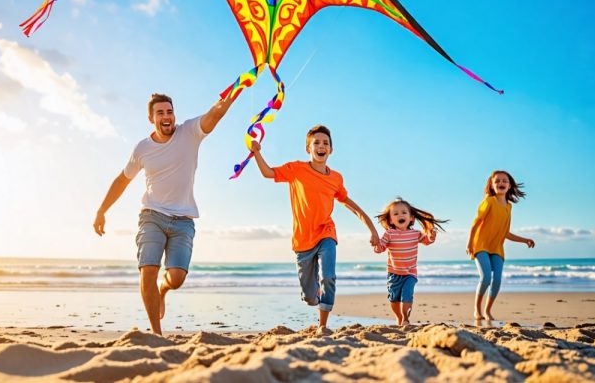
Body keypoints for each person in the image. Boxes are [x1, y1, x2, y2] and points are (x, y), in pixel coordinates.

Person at [93, 92, 236, 335]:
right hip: (152, 216)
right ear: (151, 118)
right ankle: (157, 334)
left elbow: (216, 113)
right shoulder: (142, 148)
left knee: (177, 278)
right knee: (148, 269)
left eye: (169, 112)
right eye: (160, 113)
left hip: (183, 221)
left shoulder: (189, 132)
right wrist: (102, 210)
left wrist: (236, 91)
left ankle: (164, 289)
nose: (166, 116)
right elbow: (122, 180)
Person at [250, 125, 380, 335]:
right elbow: (268, 173)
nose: (321, 146)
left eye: (325, 143)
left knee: (328, 277)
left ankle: (322, 326)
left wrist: (372, 230)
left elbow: (351, 205)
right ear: (308, 148)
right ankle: (315, 295)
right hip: (303, 240)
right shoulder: (296, 169)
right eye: (316, 143)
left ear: (331, 150)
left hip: (326, 232)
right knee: (310, 297)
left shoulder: (336, 178)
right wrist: (257, 152)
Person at [466, 170, 535, 321]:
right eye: (497, 181)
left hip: (497, 247)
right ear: (491, 185)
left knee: (497, 280)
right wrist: (470, 243)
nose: (501, 183)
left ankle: (487, 311)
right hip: (480, 245)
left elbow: (505, 233)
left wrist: (525, 240)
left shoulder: (509, 207)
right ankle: (477, 309)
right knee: (485, 278)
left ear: (509, 186)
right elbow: (475, 223)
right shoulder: (489, 201)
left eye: (504, 181)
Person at [373, 197, 447, 326]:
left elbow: (427, 241)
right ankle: (399, 317)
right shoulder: (389, 234)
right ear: (390, 220)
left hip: (410, 273)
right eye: (396, 214)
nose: (400, 215)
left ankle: (405, 319)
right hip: (394, 273)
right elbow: (380, 248)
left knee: (407, 294)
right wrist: (376, 245)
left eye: (404, 212)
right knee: (394, 299)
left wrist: (431, 236)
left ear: (411, 218)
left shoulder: (416, 234)